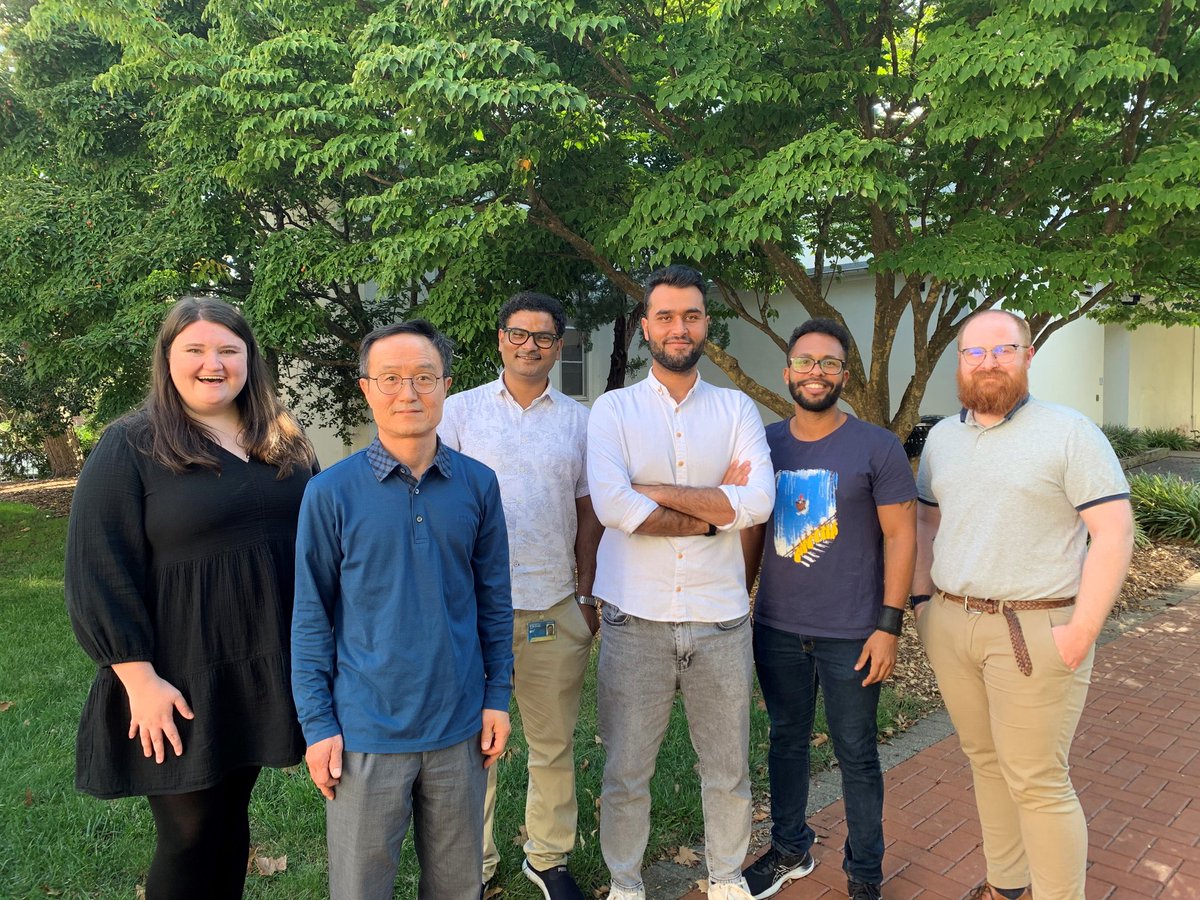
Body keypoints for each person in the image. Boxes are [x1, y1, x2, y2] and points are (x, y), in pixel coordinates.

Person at [65, 295, 318, 900]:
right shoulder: (132, 444)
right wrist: (139, 679)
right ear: (167, 359)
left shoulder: (280, 437)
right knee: (189, 834)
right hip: (177, 675)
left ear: (250, 360)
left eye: (229, 350)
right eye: (196, 350)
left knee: (230, 821)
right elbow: (97, 567)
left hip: (260, 665)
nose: (214, 363)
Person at [912, 309, 1134, 900]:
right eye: (974, 353)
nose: (988, 363)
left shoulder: (1070, 433)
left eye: (1002, 350)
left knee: (1037, 781)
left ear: (1028, 355)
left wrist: (1082, 630)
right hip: (953, 622)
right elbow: (927, 520)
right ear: (958, 362)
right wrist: (921, 606)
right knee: (985, 762)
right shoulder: (942, 439)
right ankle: (1007, 886)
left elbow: (1113, 532)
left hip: (1035, 630)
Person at [291, 319, 514, 900]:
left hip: (458, 725)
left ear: (445, 385)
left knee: (458, 886)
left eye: (423, 377)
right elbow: (311, 615)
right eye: (390, 378)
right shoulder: (330, 493)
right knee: (361, 889)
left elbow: (494, 601)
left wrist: (496, 697)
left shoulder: (478, 485)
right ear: (367, 389)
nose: (407, 393)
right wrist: (318, 726)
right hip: (365, 729)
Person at [587, 264, 775, 900]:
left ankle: (725, 876)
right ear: (646, 326)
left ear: (705, 323)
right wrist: (711, 511)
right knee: (625, 771)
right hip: (633, 619)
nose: (678, 327)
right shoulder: (612, 410)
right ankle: (625, 884)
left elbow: (758, 503)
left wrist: (656, 493)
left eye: (690, 315)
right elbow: (614, 508)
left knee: (726, 769)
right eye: (665, 316)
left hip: (721, 620)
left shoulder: (734, 407)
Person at [740, 319, 916, 900]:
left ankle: (864, 873)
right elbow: (749, 526)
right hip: (778, 627)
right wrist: (741, 602)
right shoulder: (762, 443)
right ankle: (790, 847)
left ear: (844, 374)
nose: (817, 372)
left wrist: (888, 626)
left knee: (857, 753)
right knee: (785, 741)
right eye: (806, 361)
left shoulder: (877, 446)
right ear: (787, 371)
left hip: (853, 633)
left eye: (830, 363)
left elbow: (901, 538)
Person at [439, 291, 603, 900]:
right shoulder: (458, 412)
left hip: (553, 605)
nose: (529, 345)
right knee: (470, 745)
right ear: (500, 339)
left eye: (542, 336)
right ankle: (471, 866)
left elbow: (589, 515)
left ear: (557, 347)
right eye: (518, 333)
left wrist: (587, 597)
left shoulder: (578, 421)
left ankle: (548, 857)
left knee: (553, 741)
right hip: (472, 609)